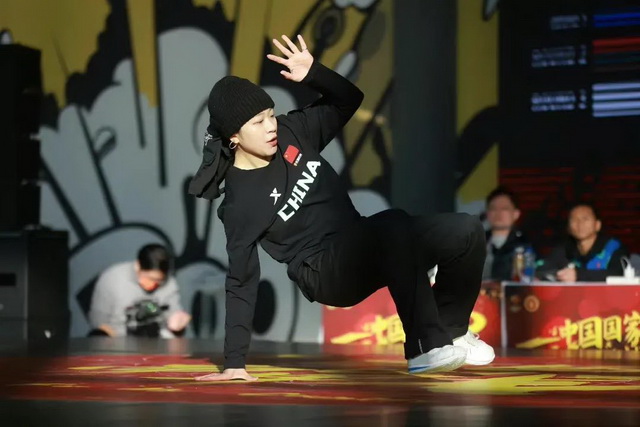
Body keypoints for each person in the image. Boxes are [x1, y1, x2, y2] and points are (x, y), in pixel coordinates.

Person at [189, 35, 493, 381]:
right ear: (234, 137)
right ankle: (424, 346)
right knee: (394, 223)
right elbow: (241, 281)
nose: (271, 126)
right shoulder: (241, 202)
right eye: (258, 122)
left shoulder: (292, 132)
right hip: (325, 273)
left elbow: (350, 100)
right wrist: (234, 364)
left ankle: (452, 330)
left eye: (270, 114)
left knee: (466, 231)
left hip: (364, 242)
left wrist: (314, 73)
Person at [88, 244, 191, 337]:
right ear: (138, 265)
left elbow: (173, 315)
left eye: (158, 281)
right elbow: (98, 322)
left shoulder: (169, 283)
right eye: (148, 278)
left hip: (158, 345)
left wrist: (178, 323)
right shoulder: (112, 279)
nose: (151, 285)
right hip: (117, 344)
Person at [537, 203, 628, 282]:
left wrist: (579, 275)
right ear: (568, 227)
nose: (580, 223)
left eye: (585, 219)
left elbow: (619, 274)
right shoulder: (564, 249)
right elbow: (542, 268)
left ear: (597, 225)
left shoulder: (613, 248)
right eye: (574, 219)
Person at [482, 187, 530, 281]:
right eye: (493, 208)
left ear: (516, 214)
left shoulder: (525, 243)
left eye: (504, 209)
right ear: (487, 213)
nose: (498, 213)